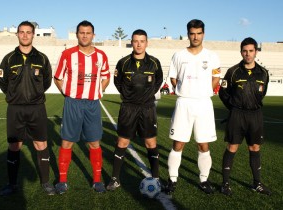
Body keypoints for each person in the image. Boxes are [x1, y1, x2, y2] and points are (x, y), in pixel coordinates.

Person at [0, 21, 55, 196]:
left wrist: (34, 95)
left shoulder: (42, 58)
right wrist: (15, 96)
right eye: (21, 32)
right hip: (15, 108)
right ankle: (12, 184)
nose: (24, 35)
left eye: (28, 32)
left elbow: (46, 81)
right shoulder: (8, 59)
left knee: (41, 144)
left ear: (33, 34)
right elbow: (2, 82)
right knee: (15, 146)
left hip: (36, 108)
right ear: (17, 34)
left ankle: (45, 183)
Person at [165, 19, 221, 194]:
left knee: (203, 145)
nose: (195, 37)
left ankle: (204, 179)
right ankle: (172, 179)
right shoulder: (178, 55)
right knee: (178, 143)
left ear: (203, 34)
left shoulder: (212, 56)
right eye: (192, 33)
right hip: (184, 102)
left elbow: (216, 78)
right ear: (188, 34)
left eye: (198, 33)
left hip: (204, 103)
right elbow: (173, 78)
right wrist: (186, 89)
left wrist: (203, 91)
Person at [54, 20, 110, 194]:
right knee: (67, 141)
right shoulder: (67, 54)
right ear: (77, 34)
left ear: (93, 35)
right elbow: (57, 77)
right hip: (73, 103)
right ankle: (62, 181)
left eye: (88, 33)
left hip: (92, 104)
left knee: (94, 142)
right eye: (81, 32)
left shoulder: (101, 56)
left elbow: (106, 77)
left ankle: (97, 181)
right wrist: (67, 93)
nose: (85, 35)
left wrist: (99, 91)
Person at [106, 29, 163, 191]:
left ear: (146, 43)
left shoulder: (154, 62)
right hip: (128, 108)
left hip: (147, 108)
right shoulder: (123, 62)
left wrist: (148, 95)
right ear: (131, 42)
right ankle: (115, 178)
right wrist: (128, 95)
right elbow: (117, 82)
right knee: (122, 141)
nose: (139, 44)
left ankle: (156, 178)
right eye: (136, 41)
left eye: (142, 41)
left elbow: (158, 80)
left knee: (150, 142)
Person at [219, 37, 271, 196]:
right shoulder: (233, 71)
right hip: (237, 115)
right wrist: (234, 108)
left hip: (255, 115)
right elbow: (223, 92)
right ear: (241, 52)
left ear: (256, 52)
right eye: (244, 51)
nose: (247, 54)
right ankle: (225, 184)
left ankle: (257, 184)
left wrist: (251, 105)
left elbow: (262, 94)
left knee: (255, 148)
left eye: (250, 51)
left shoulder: (263, 73)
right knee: (232, 147)